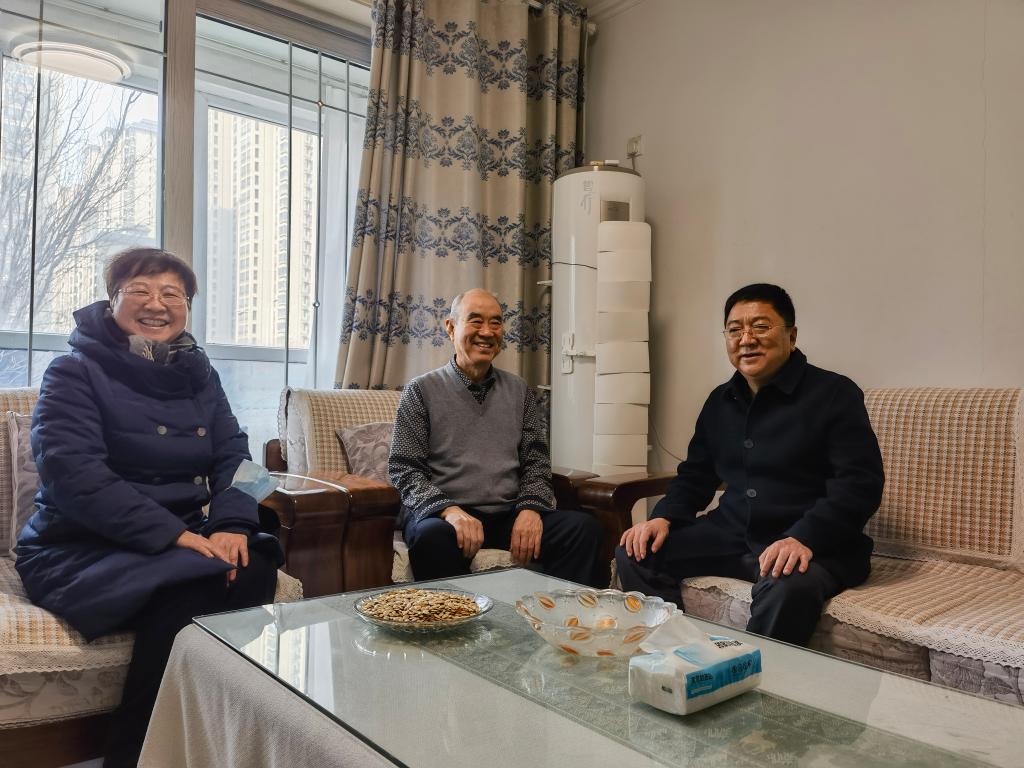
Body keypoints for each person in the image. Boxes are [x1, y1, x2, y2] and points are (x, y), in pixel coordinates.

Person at [15, 247, 282, 767]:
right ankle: (135, 755)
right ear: (112, 300)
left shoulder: (199, 374)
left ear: (187, 307)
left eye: (172, 294)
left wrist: (229, 524)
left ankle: (217, 743)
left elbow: (238, 457)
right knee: (195, 586)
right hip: (82, 544)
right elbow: (73, 474)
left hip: (182, 538)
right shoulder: (73, 371)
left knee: (255, 556)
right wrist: (177, 536)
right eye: (139, 290)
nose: (156, 304)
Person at [616, 283, 884, 646]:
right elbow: (695, 475)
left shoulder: (835, 393)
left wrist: (804, 537)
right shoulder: (720, 401)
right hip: (732, 534)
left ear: (791, 336)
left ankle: (754, 675)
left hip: (814, 542)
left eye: (760, 327)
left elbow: (859, 484)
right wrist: (663, 516)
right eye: (734, 329)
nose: (746, 339)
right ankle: (677, 654)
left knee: (788, 588)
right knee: (636, 553)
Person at [389, 288, 601, 586]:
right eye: (476, 321)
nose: (487, 332)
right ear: (451, 327)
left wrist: (530, 509)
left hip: (507, 513)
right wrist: (450, 511)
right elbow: (404, 468)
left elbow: (536, 462)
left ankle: (553, 614)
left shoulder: (519, 391)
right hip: (445, 516)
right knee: (431, 537)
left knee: (582, 529)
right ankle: (460, 617)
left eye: (496, 323)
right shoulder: (421, 390)